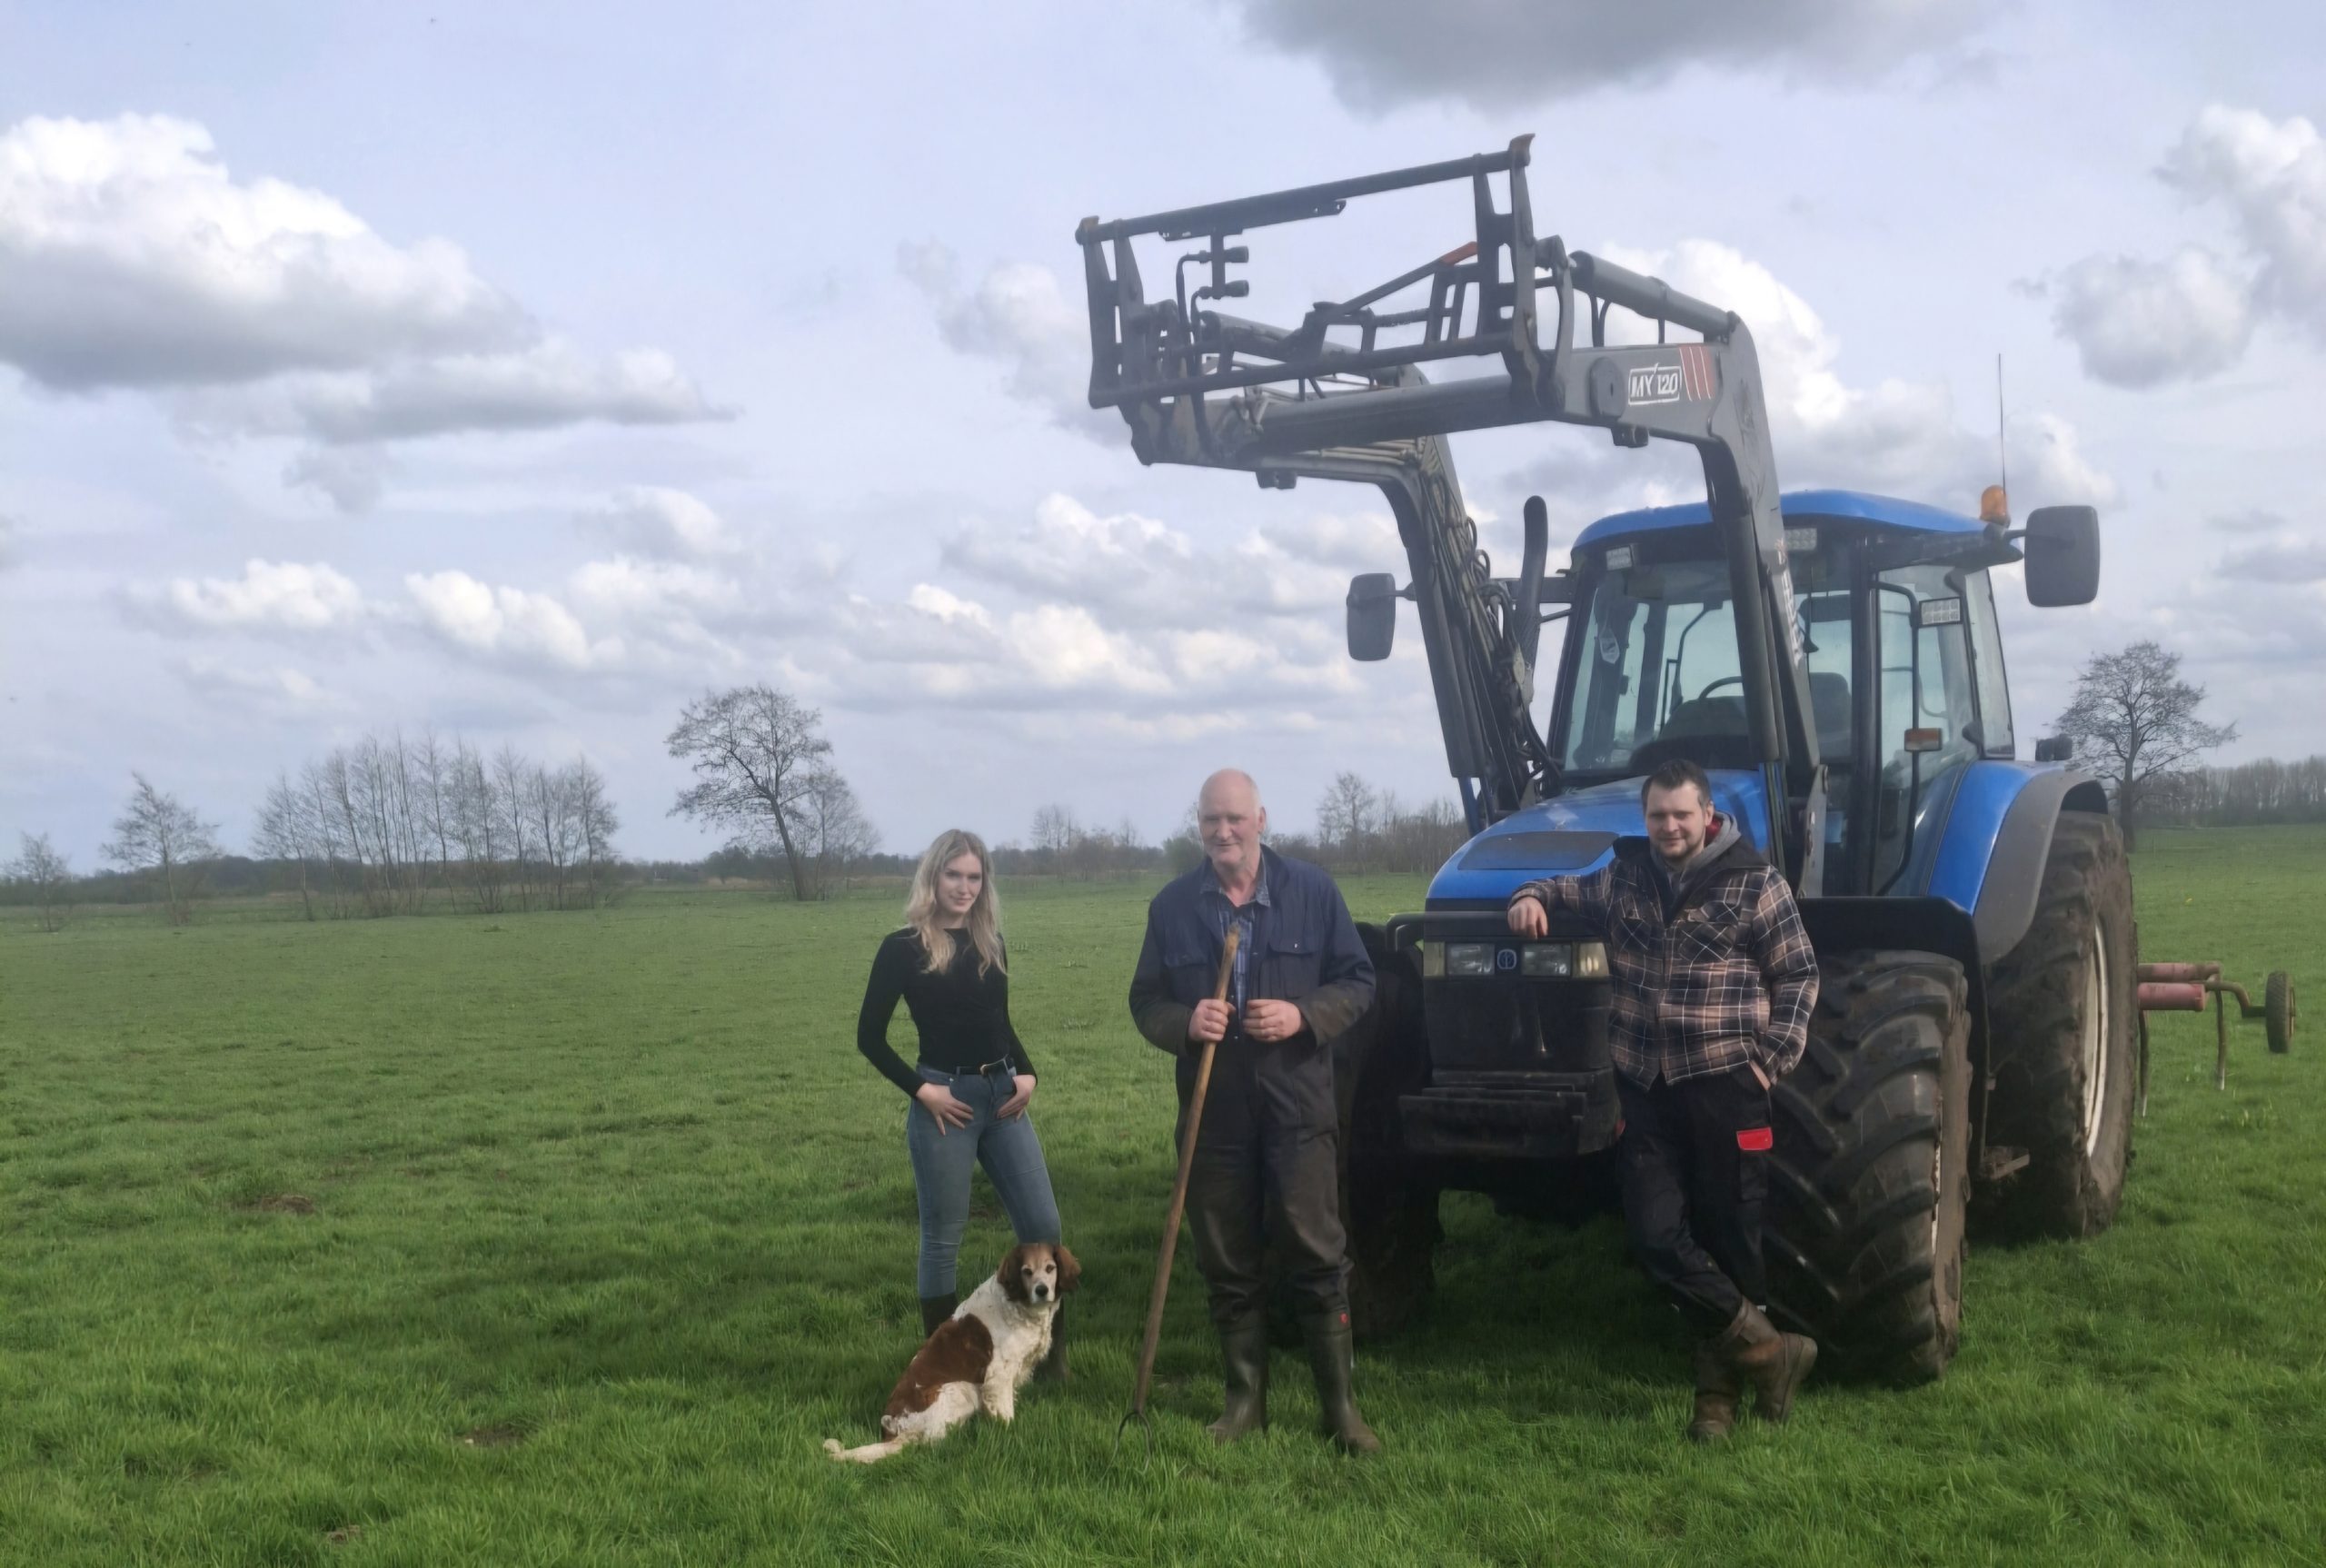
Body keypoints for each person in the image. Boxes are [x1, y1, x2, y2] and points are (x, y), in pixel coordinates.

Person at [1506, 758, 1821, 1442]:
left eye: (1681, 815)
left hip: (1726, 1086)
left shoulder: (1755, 883)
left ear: (1707, 816)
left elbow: (1797, 974)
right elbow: (1562, 888)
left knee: (1731, 1239)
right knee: (1655, 1237)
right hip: (1645, 1088)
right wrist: (1529, 896)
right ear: (1644, 819)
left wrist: (1768, 1066)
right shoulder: (1624, 876)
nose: (1670, 827)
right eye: (1658, 816)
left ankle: (1715, 1403)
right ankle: (1772, 1352)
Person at [1128, 769, 1380, 1453]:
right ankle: (1245, 1405)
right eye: (1211, 820)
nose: (1223, 831)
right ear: (1199, 827)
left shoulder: (1313, 893)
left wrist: (1304, 1014)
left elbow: (1359, 981)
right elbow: (1145, 1001)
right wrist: (1187, 1021)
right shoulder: (1173, 907)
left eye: (1235, 818)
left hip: (1297, 1108)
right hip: (1215, 1117)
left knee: (1318, 1255)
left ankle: (1341, 1411)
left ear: (1261, 819)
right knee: (1227, 1261)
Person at [858, 829, 1067, 1379]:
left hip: (1003, 1099)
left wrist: (1028, 1074)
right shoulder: (902, 948)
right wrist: (924, 1092)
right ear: (933, 876)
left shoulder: (990, 941)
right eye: (954, 875)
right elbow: (869, 1038)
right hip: (942, 1103)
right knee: (943, 1235)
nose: (965, 887)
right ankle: (942, 1366)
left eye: (975, 877)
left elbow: (998, 1024)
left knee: (1042, 1222)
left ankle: (1046, 1356)